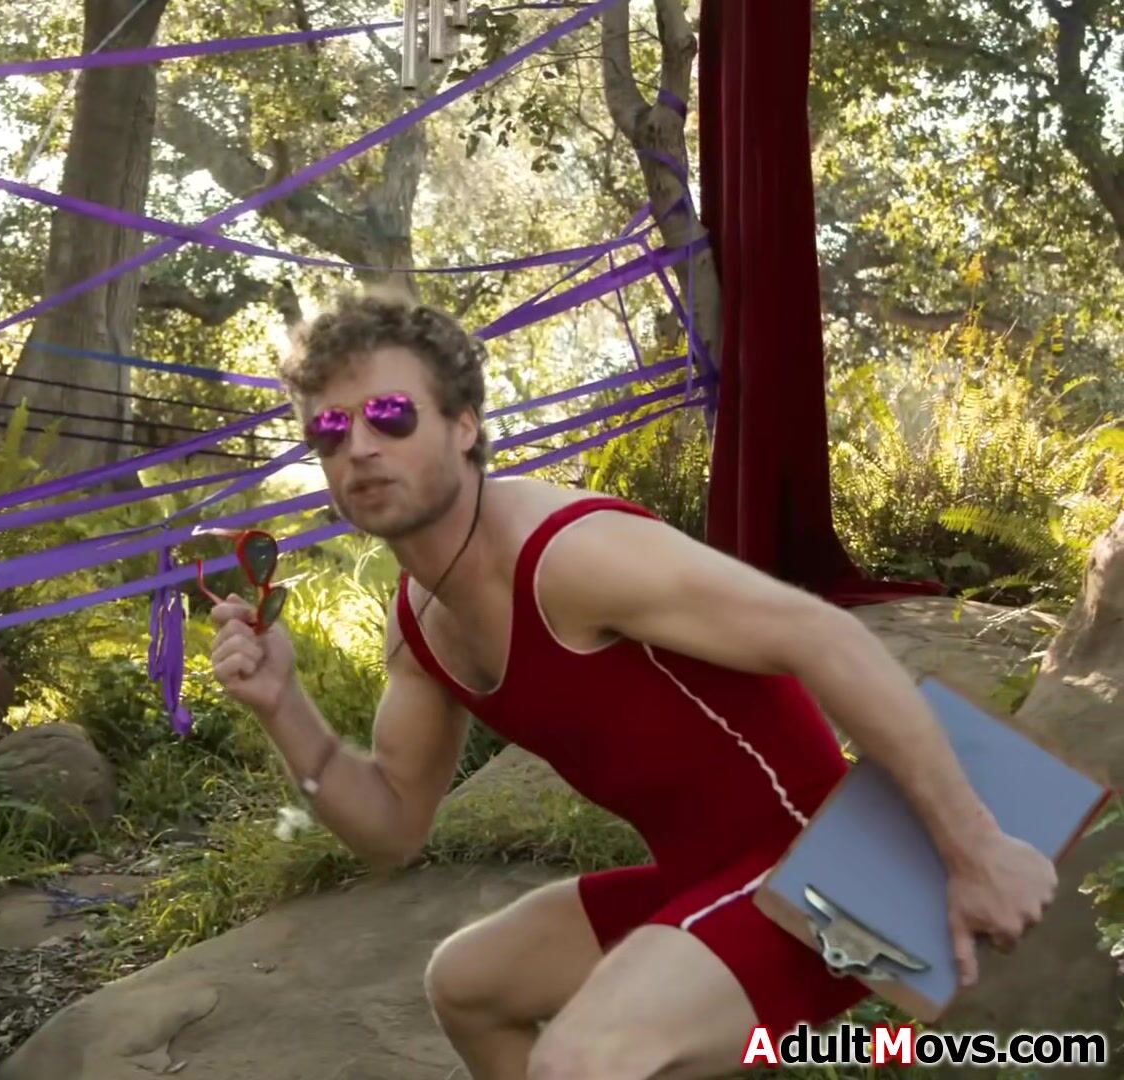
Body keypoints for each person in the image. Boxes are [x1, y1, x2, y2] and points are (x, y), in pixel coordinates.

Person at [205, 293, 1059, 1080]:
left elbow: (823, 633)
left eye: (391, 414)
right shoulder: (418, 625)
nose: (359, 446)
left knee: (583, 1060)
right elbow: (392, 827)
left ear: (464, 426)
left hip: (835, 870)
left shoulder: (572, 555)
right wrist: (284, 706)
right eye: (330, 429)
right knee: (467, 984)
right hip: (706, 880)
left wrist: (975, 849)